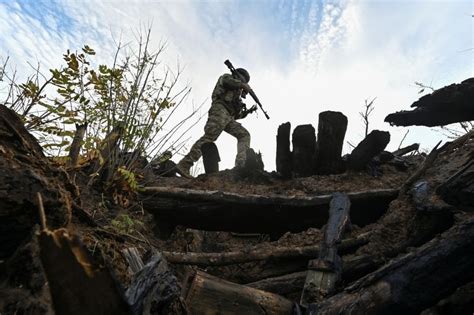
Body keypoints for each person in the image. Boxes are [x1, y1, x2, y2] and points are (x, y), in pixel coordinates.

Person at [176, 68, 257, 177]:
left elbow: (236, 115)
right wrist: (242, 85)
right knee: (209, 137)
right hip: (219, 110)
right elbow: (228, 82)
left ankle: (240, 166)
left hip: (228, 117)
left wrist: (247, 112)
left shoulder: (236, 94)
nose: (245, 83)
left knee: (244, 135)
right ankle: (184, 164)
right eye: (244, 80)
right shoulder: (227, 77)